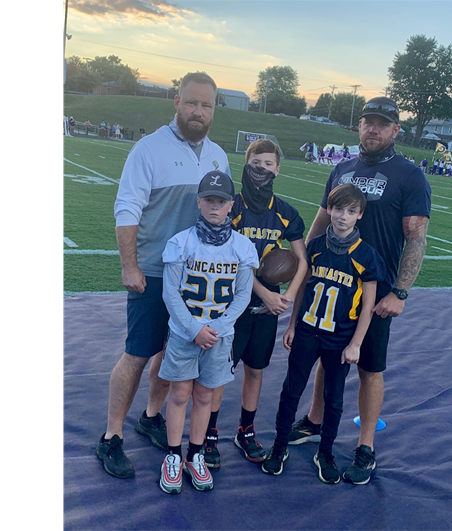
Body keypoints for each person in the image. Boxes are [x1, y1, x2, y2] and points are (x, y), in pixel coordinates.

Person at [285, 96, 431, 485]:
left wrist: (399, 292)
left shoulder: (409, 175)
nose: (373, 128)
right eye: (368, 121)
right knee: (323, 355)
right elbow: (320, 219)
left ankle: (365, 446)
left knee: (369, 368)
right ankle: (315, 420)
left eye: (382, 123)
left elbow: (416, 238)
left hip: (374, 293)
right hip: (330, 283)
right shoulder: (342, 168)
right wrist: (301, 264)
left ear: (395, 130)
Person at [98, 71, 231, 480]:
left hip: (196, 277)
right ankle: (112, 436)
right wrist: (129, 265)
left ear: (213, 110)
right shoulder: (148, 149)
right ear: (176, 101)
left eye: (206, 105)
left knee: (170, 356)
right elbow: (127, 210)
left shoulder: (218, 156)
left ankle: (151, 416)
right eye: (191, 102)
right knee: (138, 352)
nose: (198, 111)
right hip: (155, 271)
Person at [261, 183, 382, 483]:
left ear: (359, 215)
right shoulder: (314, 247)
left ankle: (325, 451)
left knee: (335, 399)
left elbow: (368, 307)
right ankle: (278, 447)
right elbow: (301, 288)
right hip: (306, 332)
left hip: (338, 338)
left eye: (351, 211)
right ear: (329, 209)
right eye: (338, 209)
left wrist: (356, 344)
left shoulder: (365, 255)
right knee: (291, 391)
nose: (343, 216)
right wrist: (291, 324)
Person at [204, 139, 308, 469]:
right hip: (229, 301)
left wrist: (287, 297)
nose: (261, 169)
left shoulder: (286, 213)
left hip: (267, 307)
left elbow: (302, 261)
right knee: (221, 369)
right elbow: (226, 261)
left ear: (278, 169)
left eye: (268, 164)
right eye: (256, 162)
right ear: (245, 164)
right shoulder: (231, 206)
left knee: (255, 368)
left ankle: (245, 430)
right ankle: (208, 432)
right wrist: (266, 293)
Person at [158, 170, 258, 494]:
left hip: (218, 335)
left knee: (204, 395)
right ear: (199, 202)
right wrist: (194, 328)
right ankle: (173, 455)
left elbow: (243, 295)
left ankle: (195, 454)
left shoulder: (243, 247)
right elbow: (170, 293)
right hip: (184, 332)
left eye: (221, 201)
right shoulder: (181, 242)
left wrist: (214, 328)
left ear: (231, 205)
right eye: (209, 200)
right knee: (179, 394)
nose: (215, 207)